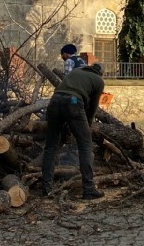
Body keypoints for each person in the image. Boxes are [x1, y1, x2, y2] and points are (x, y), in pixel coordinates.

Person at [41, 63, 105, 200]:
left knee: (50, 146)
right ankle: (88, 189)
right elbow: (93, 106)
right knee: (85, 146)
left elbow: (62, 96)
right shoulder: (99, 81)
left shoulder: (76, 72)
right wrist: (87, 125)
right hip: (74, 102)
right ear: (100, 73)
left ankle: (46, 188)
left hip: (54, 102)